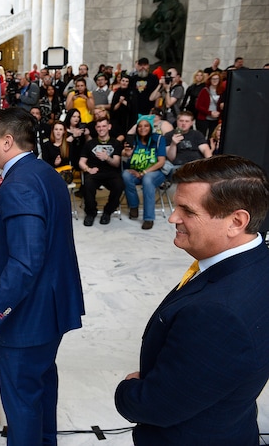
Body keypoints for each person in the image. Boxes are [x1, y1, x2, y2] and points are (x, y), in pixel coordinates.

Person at [115, 155, 269, 445]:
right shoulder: (257, 261)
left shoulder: (218, 314)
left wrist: (128, 390)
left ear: (236, 221)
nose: (173, 218)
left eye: (187, 210)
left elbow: (157, 406)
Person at [0, 107, 84, 446]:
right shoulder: (42, 173)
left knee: (22, 403)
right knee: (40, 390)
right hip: (52, 306)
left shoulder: (19, 185)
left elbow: (26, 261)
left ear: (8, 140)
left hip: (29, 316)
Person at [121, 118, 167, 230]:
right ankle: (133, 206)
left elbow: (161, 162)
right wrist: (126, 153)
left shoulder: (158, 139)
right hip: (136, 172)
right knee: (126, 175)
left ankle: (148, 217)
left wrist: (144, 172)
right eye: (140, 126)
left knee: (147, 179)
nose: (142, 128)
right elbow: (124, 153)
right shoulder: (133, 140)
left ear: (151, 127)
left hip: (155, 173)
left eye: (146, 126)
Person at [79, 116, 124, 226]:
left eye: (104, 126)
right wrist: (88, 169)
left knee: (119, 185)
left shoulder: (116, 143)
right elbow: (81, 162)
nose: (101, 129)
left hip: (111, 173)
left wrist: (107, 158)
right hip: (94, 172)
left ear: (109, 127)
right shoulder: (90, 143)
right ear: (95, 128)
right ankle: (90, 212)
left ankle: (108, 212)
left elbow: (117, 163)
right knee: (87, 184)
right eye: (98, 126)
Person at [162, 111, 212, 175]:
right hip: (179, 166)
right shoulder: (169, 135)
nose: (183, 123)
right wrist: (173, 144)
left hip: (196, 164)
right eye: (181, 121)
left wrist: (210, 164)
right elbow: (171, 158)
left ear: (191, 123)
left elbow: (205, 149)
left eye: (187, 121)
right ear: (177, 121)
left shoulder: (197, 134)